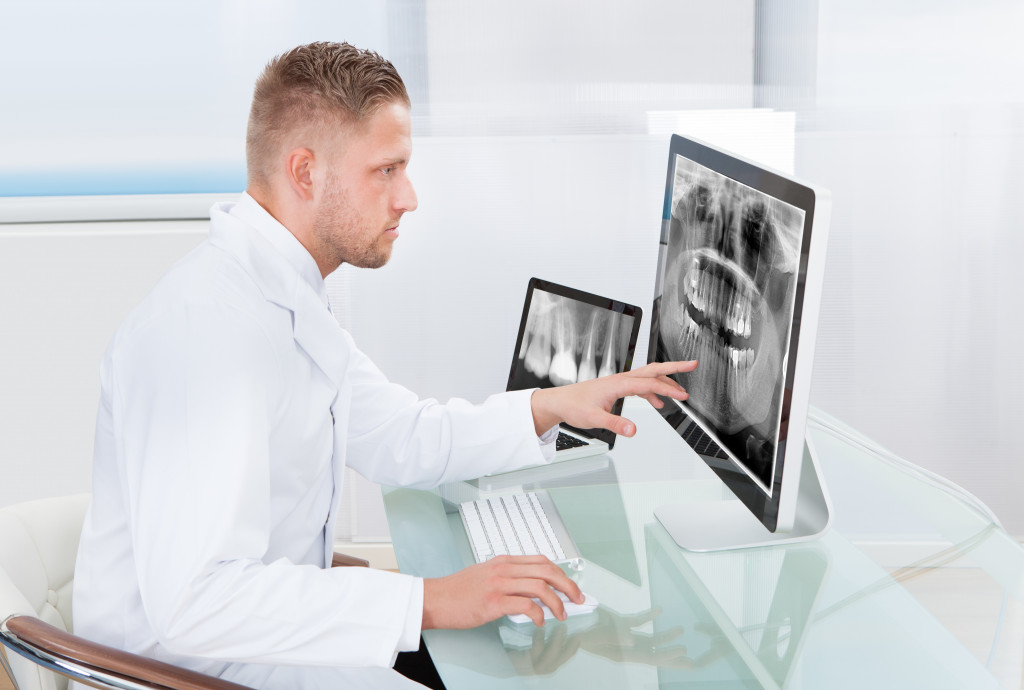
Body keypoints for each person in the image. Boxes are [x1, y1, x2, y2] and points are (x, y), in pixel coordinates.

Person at [72, 41, 697, 689]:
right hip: (179, 672)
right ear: (306, 173)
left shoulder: (287, 295)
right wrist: (429, 600)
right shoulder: (206, 335)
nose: (410, 197)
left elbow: (402, 434)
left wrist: (549, 406)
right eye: (387, 170)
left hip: (255, 643)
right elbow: (195, 604)